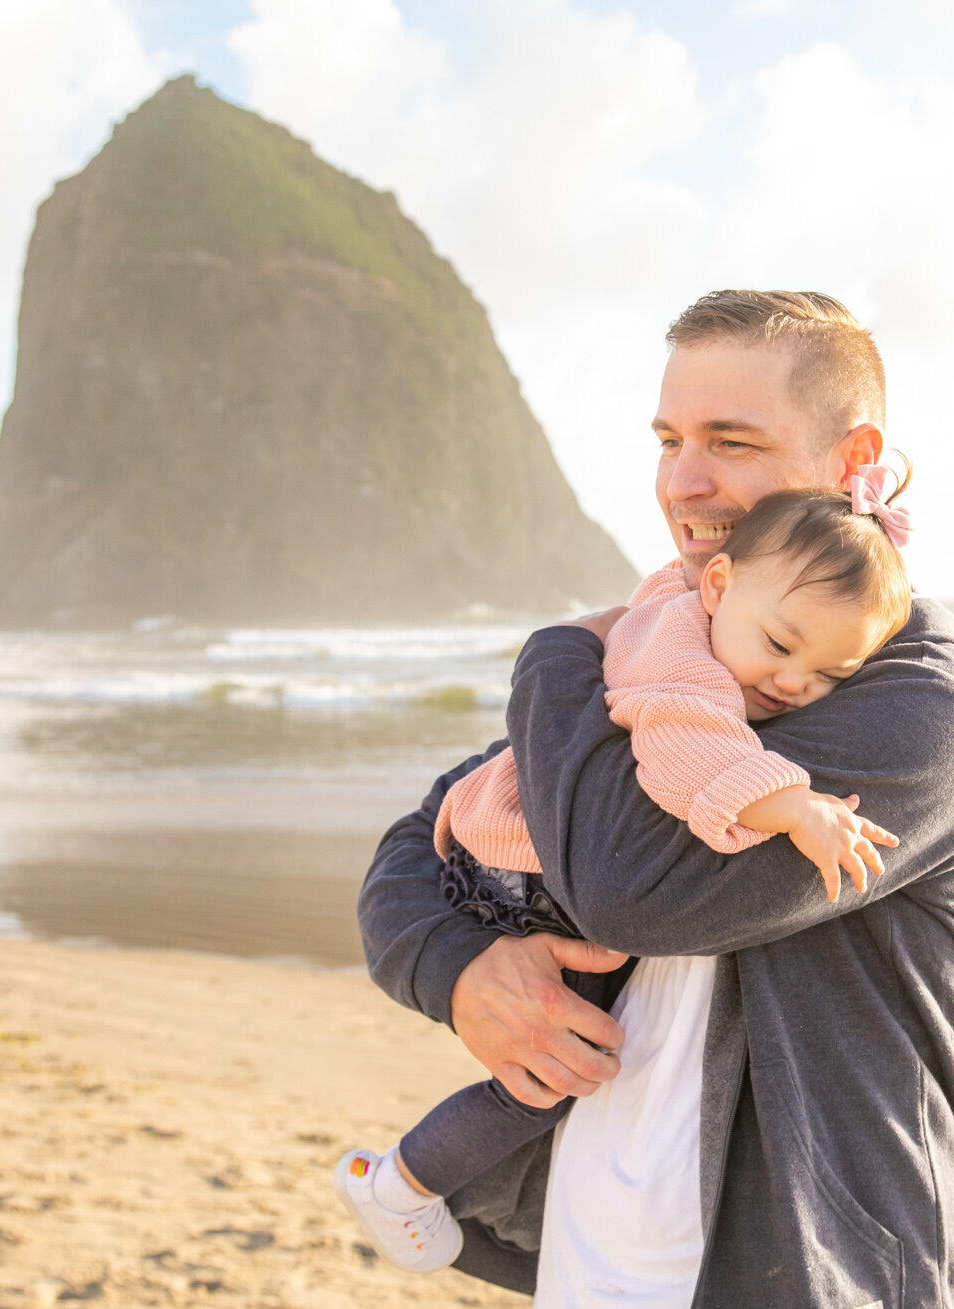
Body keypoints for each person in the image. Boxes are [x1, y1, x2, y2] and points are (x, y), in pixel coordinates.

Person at [359, 290, 954, 1307]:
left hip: (808, 1270)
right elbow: (426, 837)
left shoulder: (917, 707)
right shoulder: (680, 654)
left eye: (730, 441)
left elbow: (630, 886)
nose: (682, 482)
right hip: (592, 1251)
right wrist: (457, 969)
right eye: (668, 439)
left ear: (853, 458)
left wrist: (557, 654)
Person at [335, 478, 914, 1272]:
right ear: (717, 586)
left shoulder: (703, 608)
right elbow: (686, 742)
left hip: (511, 856)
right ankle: (404, 1185)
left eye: (829, 678)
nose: (791, 686)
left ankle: (424, 1196)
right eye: (780, 648)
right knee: (552, 1072)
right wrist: (795, 807)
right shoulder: (679, 649)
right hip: (518, 876)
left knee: (555, 1076)